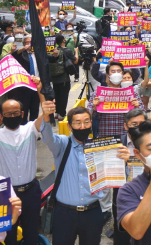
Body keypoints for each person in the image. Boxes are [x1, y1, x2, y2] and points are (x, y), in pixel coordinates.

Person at [0, 78, 44, 245]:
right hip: (4, 192)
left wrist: (40, 90)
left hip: (31, 191)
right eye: (8, 114)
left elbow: (46, 114)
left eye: (15, 113)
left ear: (22, 114)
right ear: (1, 116)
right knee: (8, 236)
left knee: (32, 234)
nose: (12, 116)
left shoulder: (30, 130)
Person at [40, 104, 106, 245]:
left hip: (92, 211)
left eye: (86, 122)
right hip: (64, 213)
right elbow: (48, 137)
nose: (83, 126)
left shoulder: (99, 147)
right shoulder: (62, 145)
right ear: (70, 126)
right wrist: (46, 117)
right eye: (77, 122)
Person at [112, 108, 147, 245]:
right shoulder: (115, 145)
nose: (138, 127)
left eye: (141, 124)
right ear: (125, 126)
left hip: (147, 195)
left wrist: (132, 160)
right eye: (134, 124)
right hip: (123, 197)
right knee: (123, 234)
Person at [88, 66, 145, 138]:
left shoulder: (132, 93)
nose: (116, 74)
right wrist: (94, 108)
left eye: (119, 71)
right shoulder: (98, 94)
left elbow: (143, 114)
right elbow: (88, 115)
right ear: (108, 75)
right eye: (113, 71)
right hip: (105, 136)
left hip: (127, 137)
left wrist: (137, 107)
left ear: (122, 74)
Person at [48, 34, 78, 122]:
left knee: (56, 95)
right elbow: (75, 61)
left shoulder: (54, 51)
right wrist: (76, 52)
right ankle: (62, 114)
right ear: (63, 40)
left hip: (54, 78)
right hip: (64, 78)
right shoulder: (66, 51)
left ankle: (57, 113)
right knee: (63, 96)